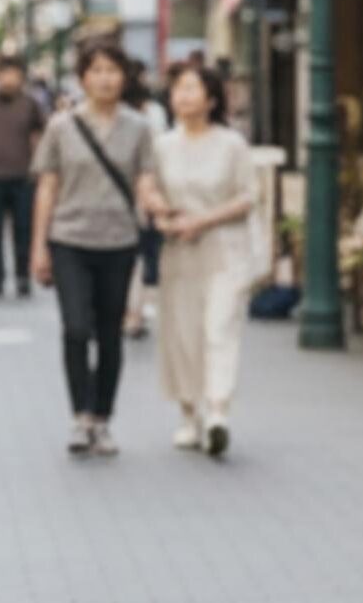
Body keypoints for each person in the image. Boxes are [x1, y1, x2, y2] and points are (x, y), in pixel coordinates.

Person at [31, 44, 162, 457]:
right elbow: (47, 186)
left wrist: (159, 207)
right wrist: (38, 247)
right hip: (69, 237)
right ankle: (80, 415)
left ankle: (102, 417)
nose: (105, 78)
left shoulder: (139, 127)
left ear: (124, 77)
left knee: (110, 333)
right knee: (75, 328)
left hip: (118, 240)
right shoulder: (61, 127)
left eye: (112, 70)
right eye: (96, 70)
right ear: (83, 77)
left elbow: (144, 182)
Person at [151, 65, 254, 457]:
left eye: (193, 89)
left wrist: (203, 220)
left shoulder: (232, 145)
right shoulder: (162, 146)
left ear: (212, 100)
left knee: (219, 328)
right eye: (178, 88)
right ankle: (188, 413)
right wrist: (165, 220)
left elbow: (247, 198)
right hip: (180, 251)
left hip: (225, 247)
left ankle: (217, 413)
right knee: (183, 333)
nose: (184, 95)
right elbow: (152, 195)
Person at [0, 55, 46, 298]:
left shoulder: (30, 104)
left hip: (23, 176)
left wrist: (38, 168)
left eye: (13, 74)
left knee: (22, 229)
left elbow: (39, 135)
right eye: (4, 73)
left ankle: (22, 276)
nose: (8, 79)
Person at [122, 60, 167, 338]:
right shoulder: (154, 113)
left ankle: (133, 313)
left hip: (139, 192)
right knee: (137, 258)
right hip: (132, 195)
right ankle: (132, 313)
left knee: (136, 257)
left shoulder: (151, 115)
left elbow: (155, 156)